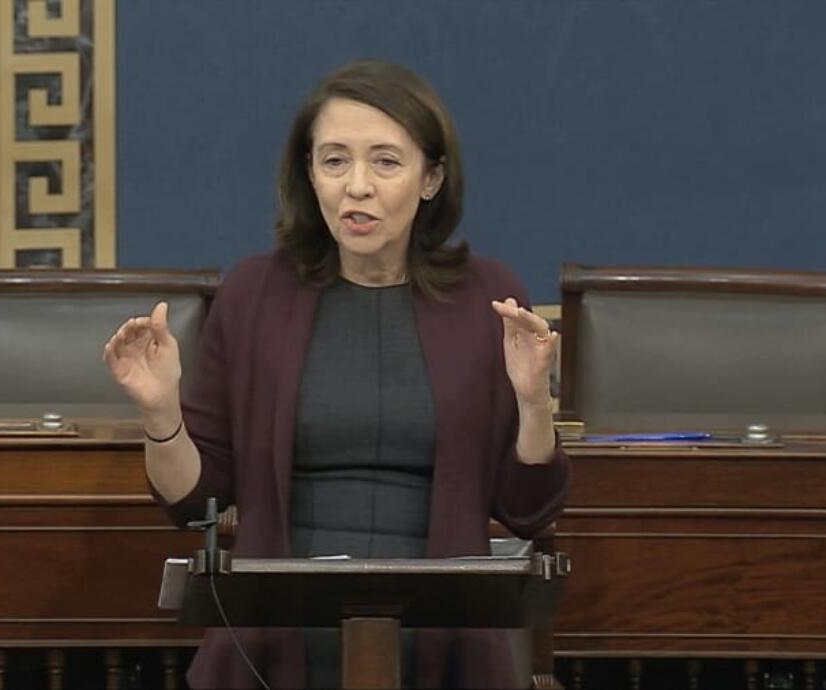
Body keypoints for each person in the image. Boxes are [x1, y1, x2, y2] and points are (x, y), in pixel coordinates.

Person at [103, 59, 570, 689]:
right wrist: (162, 414)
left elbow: (528, 511)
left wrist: (534, 401)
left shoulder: (487, 296)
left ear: (431, 177)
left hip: (444, 645)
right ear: (308, 175)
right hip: (275, 642)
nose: (357, 186)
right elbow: (194, 501)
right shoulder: (253, 294)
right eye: (334, 161)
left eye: (385, 161)